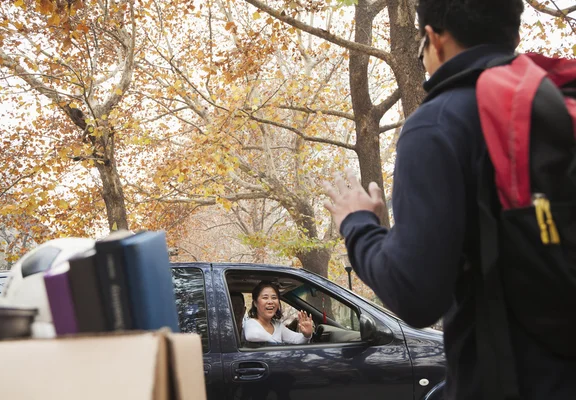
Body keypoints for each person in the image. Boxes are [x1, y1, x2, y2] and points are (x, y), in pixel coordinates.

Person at [323, 1, 576, 399]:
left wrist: (358, 225)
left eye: (420, 50)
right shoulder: (556, 106)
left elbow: (416, 296)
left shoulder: (438, 123)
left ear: (433, 38)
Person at [242, 281, 312, 345]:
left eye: (274, 297)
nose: (270, 302)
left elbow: (296, 340)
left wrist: (307, 335)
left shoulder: (277, 325)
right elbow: (252, 335)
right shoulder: (250, 323)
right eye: (265, 298)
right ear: (255, 303)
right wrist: (279, 344)